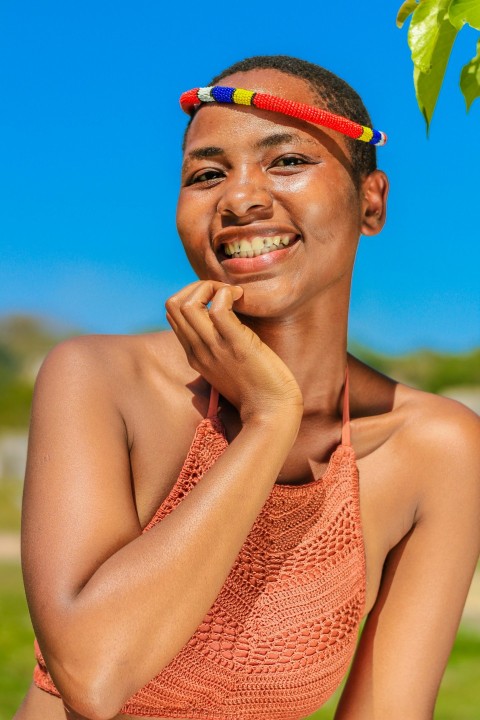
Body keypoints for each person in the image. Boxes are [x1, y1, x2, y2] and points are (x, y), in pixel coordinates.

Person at [15, 55, 480, 720]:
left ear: (371, 201)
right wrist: (268, 421)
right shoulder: (101, 380)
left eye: (285, 161)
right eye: (207, 174)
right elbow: (94, 673)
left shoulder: (437, 449)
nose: (239, 198)